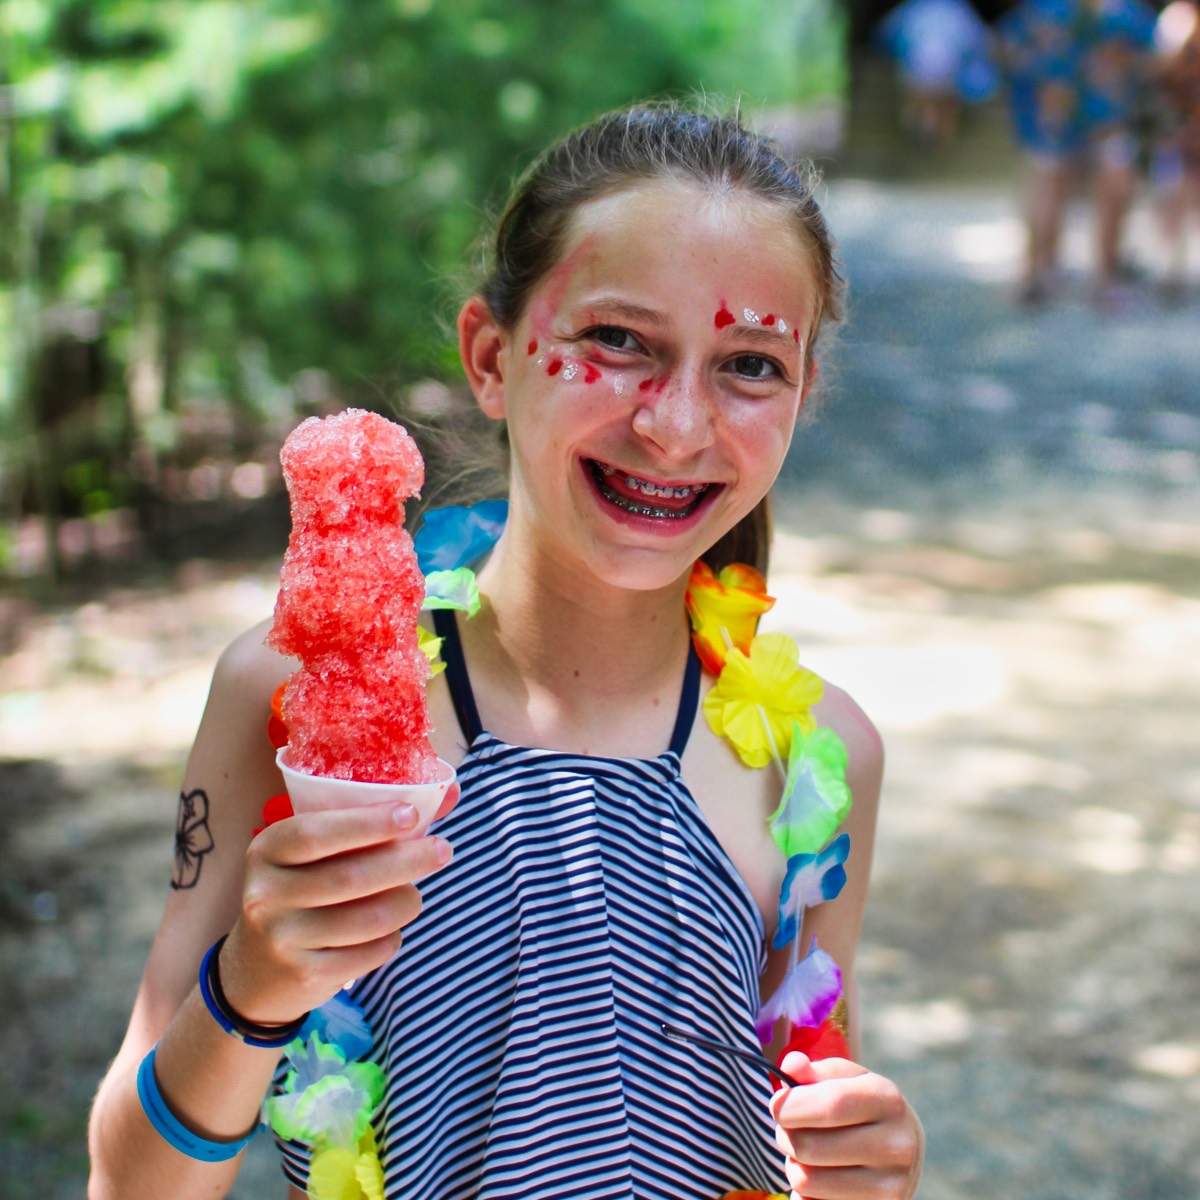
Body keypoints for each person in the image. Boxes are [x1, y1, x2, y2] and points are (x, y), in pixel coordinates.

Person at [87, 104, 924, 1200]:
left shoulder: (820, 758)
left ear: (803, 394)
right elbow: (130, 1184)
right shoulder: (287, 698)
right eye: (619, 342)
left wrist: (862, 1160)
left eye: (750, 364)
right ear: (491, 356)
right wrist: (252, 985)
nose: (675, 424)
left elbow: (806, 1088)